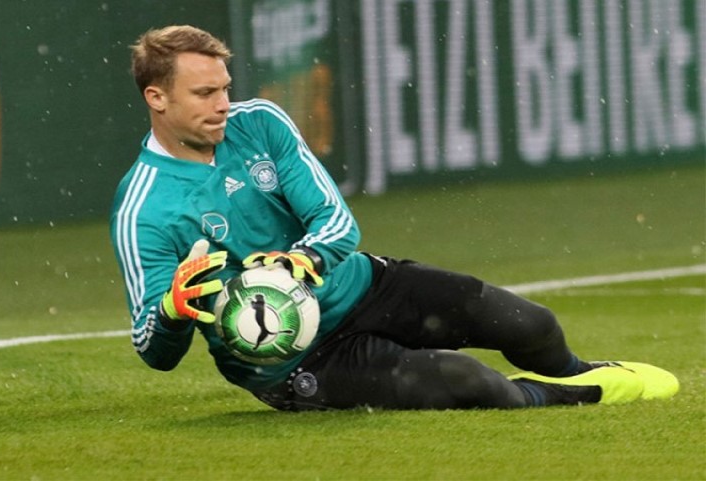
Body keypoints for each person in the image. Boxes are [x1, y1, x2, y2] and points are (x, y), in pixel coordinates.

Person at [110, 25, 678, 411]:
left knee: (531, 324)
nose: (222, 104)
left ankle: (577, 371)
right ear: (157, 98)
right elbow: (153, 350)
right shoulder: (143, 209)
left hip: (363, 286)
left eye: (225, 88)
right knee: (468, 382)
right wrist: (173, 310)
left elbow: (335, 221)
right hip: (302, 360)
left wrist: (302, 258)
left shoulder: (259, 122)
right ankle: (575, 399)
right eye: (204, 93)